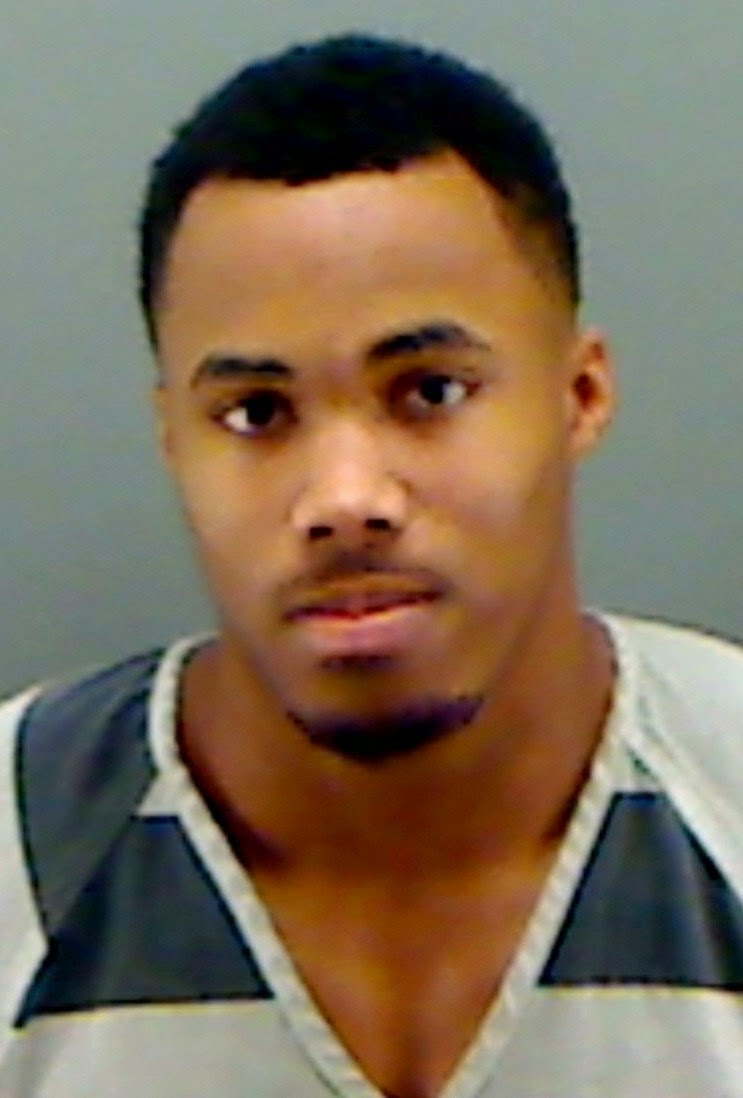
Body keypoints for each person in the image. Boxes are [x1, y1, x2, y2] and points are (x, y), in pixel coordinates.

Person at [1, 32, 742, 1098]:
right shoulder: (18, 855)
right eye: (256, 413)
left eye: (430, 391)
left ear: (577, 396)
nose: (346, 497)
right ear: (173, 439)